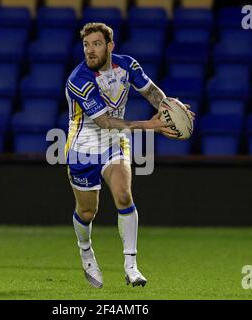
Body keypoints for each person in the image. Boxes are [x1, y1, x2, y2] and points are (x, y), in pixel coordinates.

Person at [65, 22, 195, 288]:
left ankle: (131, 266)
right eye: (86, 45)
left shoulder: (128, 66)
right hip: (83, 150)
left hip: (115, 144)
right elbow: (104, 122)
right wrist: (151, 126)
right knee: (88, 211)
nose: (90, 50)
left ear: (110, 46)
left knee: (124, 196)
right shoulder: (78, 80)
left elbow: (151, 92)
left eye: (96, 44)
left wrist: (169, 108)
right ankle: (85, 250)